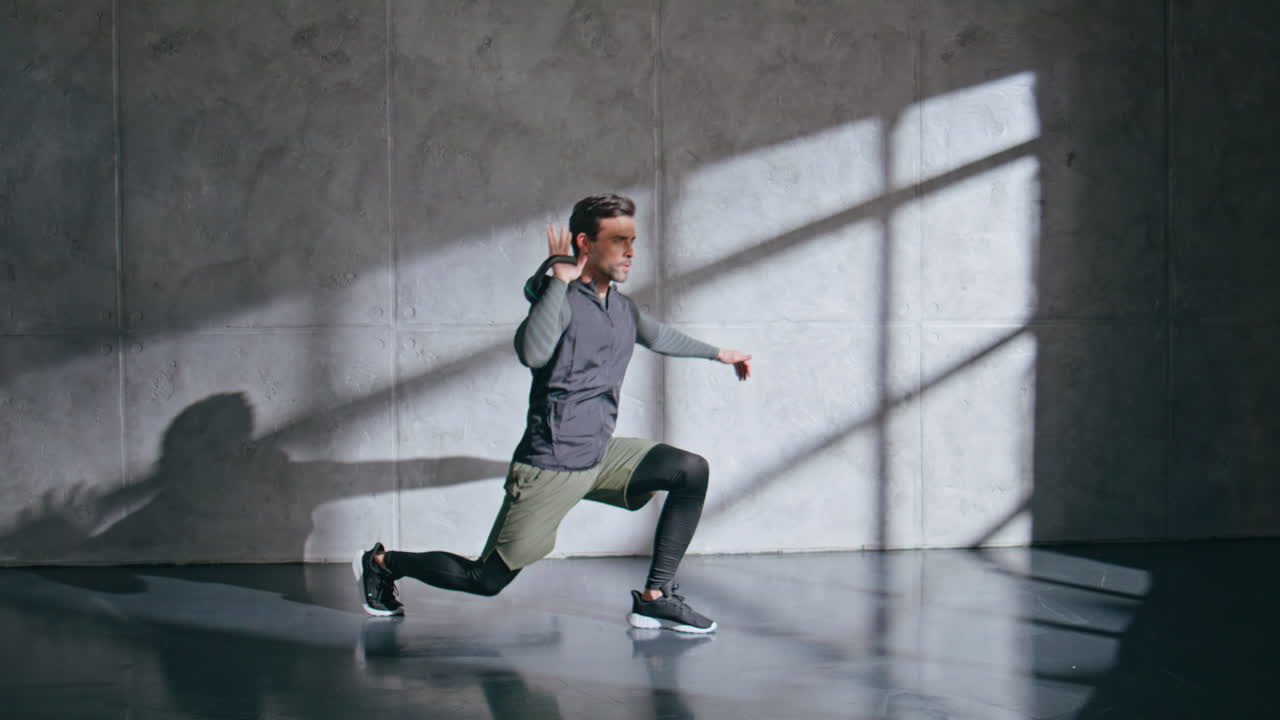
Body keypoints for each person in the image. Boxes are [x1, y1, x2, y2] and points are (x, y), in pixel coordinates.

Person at [354, 194, 752, 633]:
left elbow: (657, 335)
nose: (631, 251)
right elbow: (532, 350)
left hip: (599, 456)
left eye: (633, 240)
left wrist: (719, 354)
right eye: (619, 240)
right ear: (585, 243)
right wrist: (558, 280)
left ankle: (656, 597)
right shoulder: (559, 299)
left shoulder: (622, 308)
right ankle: (381, 563)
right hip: (550, 465)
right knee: (485, 580)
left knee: (689, 471)